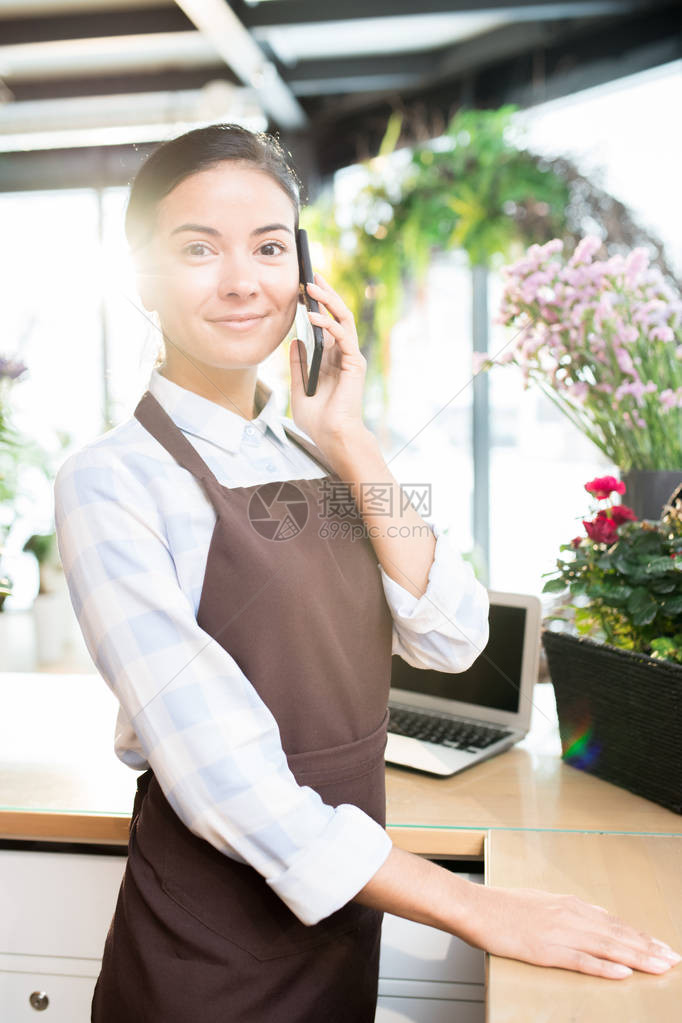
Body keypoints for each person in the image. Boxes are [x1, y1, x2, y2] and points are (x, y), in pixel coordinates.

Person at [54, 123, 680, 1022]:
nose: (241, 281)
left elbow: (456, 633)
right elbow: (226, 777)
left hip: (349, 916)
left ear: (303, 272)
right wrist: (481, 908)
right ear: (142, 276)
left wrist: (351, 438)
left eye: (270, 247)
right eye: (198, 249)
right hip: (210, 953)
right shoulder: (114, 479)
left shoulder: (322, 455)